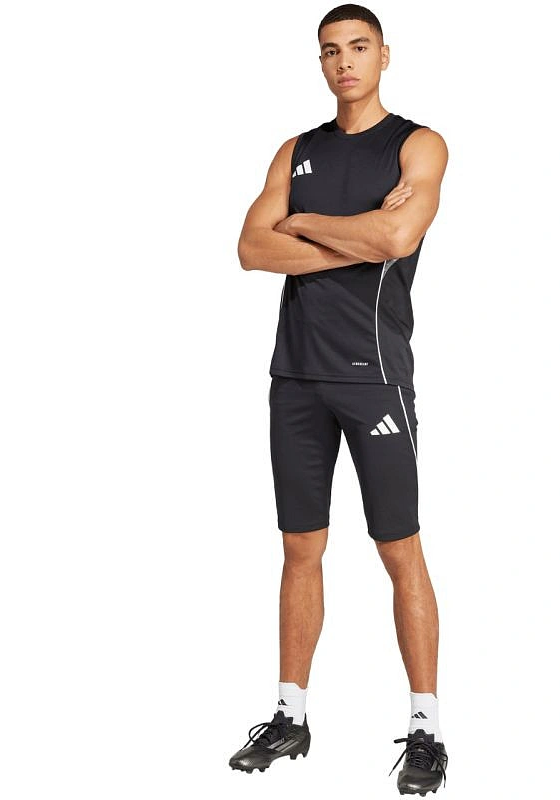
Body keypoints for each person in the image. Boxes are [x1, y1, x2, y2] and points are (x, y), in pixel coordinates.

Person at [230, 4, 449, 794]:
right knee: (300, 548)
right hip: (295, 376)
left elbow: (396, 239)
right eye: (331, 50)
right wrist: (351, 234)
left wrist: (304, 224)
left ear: (384, 55)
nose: (345, 61)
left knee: (399, 549)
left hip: (374, 375)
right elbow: (251, 249)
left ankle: (425, 729)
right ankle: (290, 715)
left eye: (359, 47)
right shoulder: (295, 150)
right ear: (320, 62)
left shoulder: (418, 145)